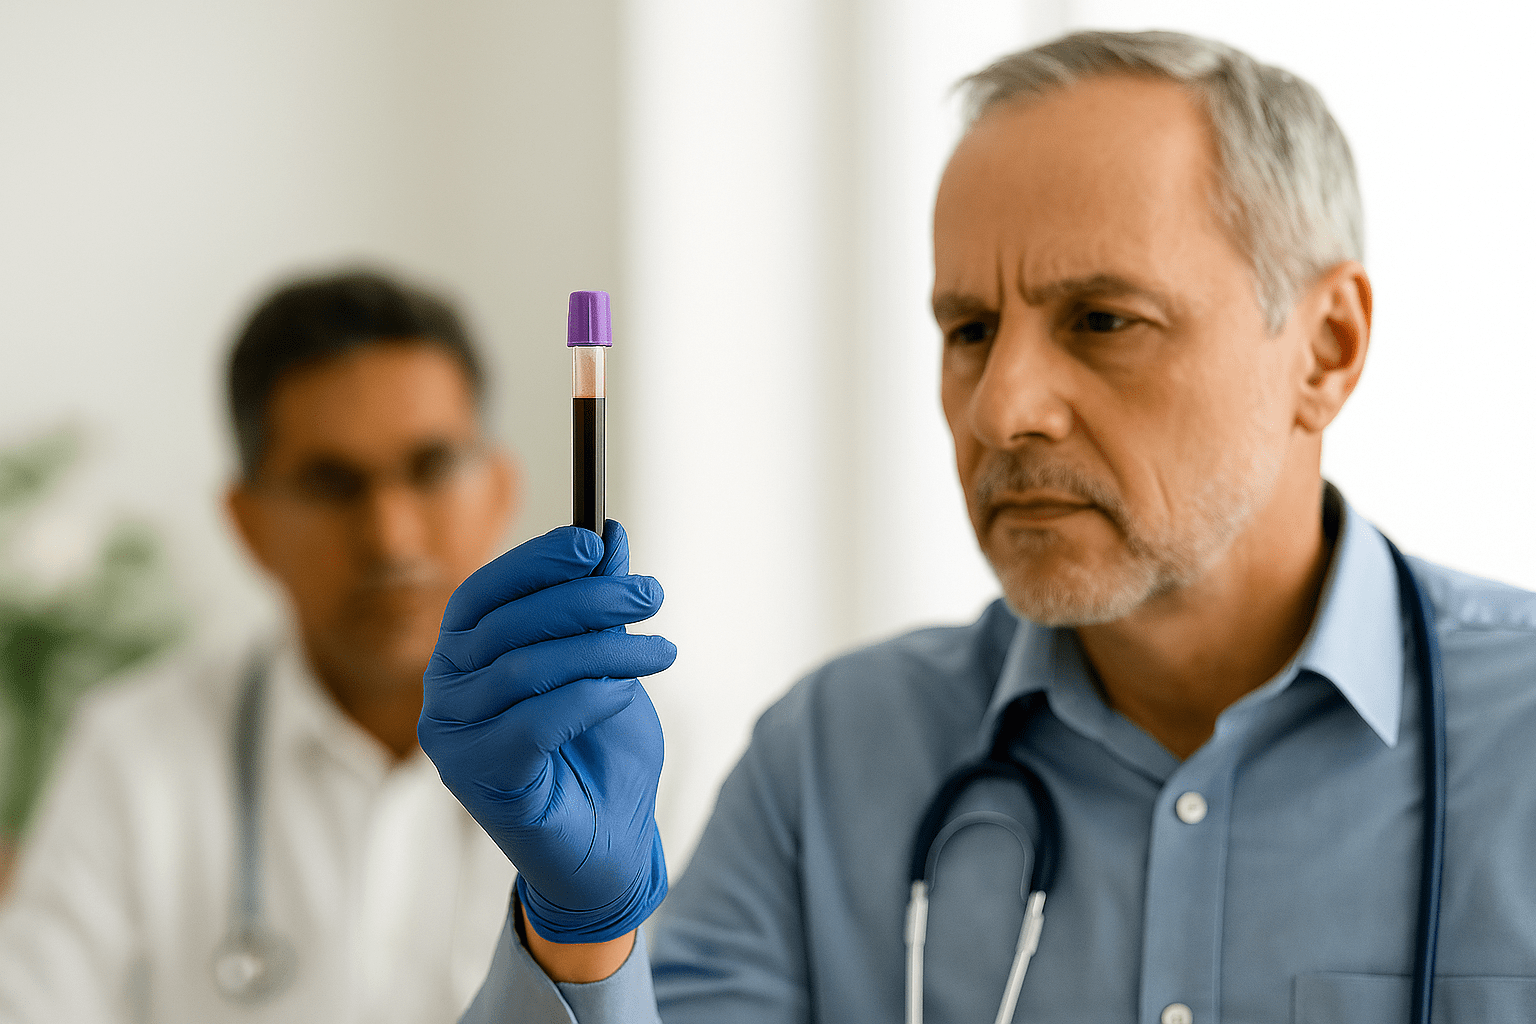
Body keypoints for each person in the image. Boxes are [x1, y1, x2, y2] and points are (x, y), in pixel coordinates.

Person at [420, 30, 1536, 1024]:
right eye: (969, 327)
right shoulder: (827, 767)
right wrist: (584, 934)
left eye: (1103, 320)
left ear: (1326, 346)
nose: (1001, 408)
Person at [0, 269, 521, 1022]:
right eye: (332, 483)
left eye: (431, 468)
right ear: (246, 523)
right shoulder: (133, 750)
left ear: (500, 487)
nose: (391, 537)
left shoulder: (641, 748)